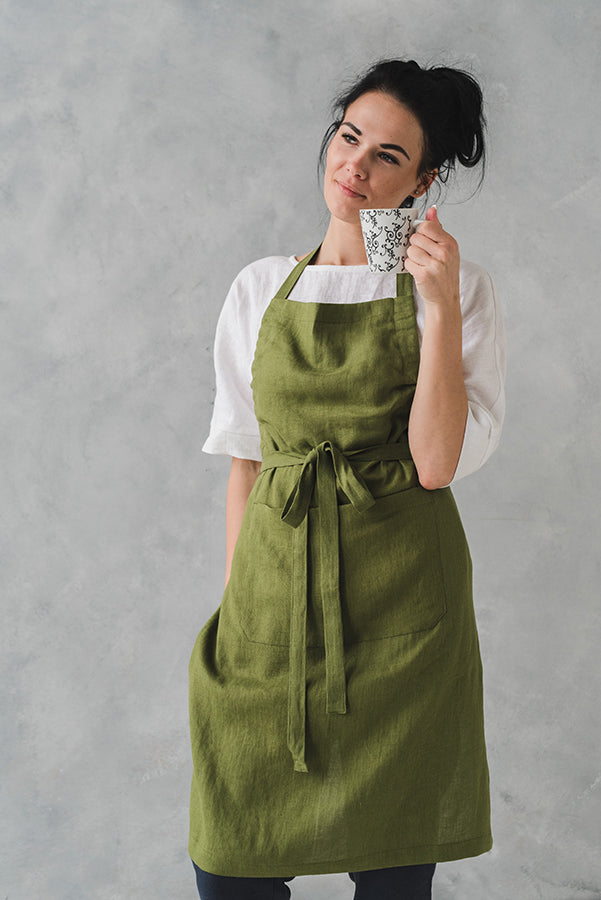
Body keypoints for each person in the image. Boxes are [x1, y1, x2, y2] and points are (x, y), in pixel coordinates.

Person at [189, 58, 506, 900]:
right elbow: (248, 462)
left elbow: (435, 464)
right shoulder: (259, 288)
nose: (354, 167)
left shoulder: (459, 290)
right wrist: (238, 610)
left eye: (387, 157)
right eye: (348, 136)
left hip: (405, 610)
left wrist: (434, 309)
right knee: (230, 869)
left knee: (394, 880)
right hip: (271, 608)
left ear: (424, 180)